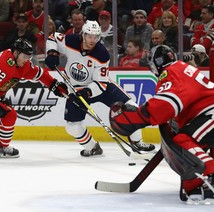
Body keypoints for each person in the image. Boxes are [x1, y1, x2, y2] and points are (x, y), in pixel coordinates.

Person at [109, 44, 214, 202]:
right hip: (207, 112)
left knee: (182, 140)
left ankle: (209, 175)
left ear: (156, 63)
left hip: (211, 112)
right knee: (188, 139)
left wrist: (137, 116)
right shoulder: (181, 68)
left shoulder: (169, 72)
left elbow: (167, 104)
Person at [44, 20, 155, 157]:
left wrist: (88, 92)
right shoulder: (71, 40)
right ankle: (92, 147)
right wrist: (52, 53)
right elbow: (53, 37)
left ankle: (137, 141)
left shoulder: (101, 54)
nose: (92, 40)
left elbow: (101, 83)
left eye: (96, 37)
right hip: (75, 89)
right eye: (90, 36)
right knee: (72, 126)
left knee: (131, 107)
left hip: (100, 87)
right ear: (83, 34)